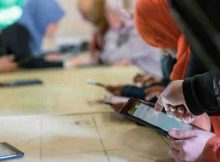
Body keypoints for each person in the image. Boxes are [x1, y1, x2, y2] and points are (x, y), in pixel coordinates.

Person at [0, 0, 75, 69]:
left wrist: (44, 57)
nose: (56, 27)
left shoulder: (26, 31)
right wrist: (67, 64)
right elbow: (26, 62)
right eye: (52, 21)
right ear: (40, 17)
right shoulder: (17, 31)